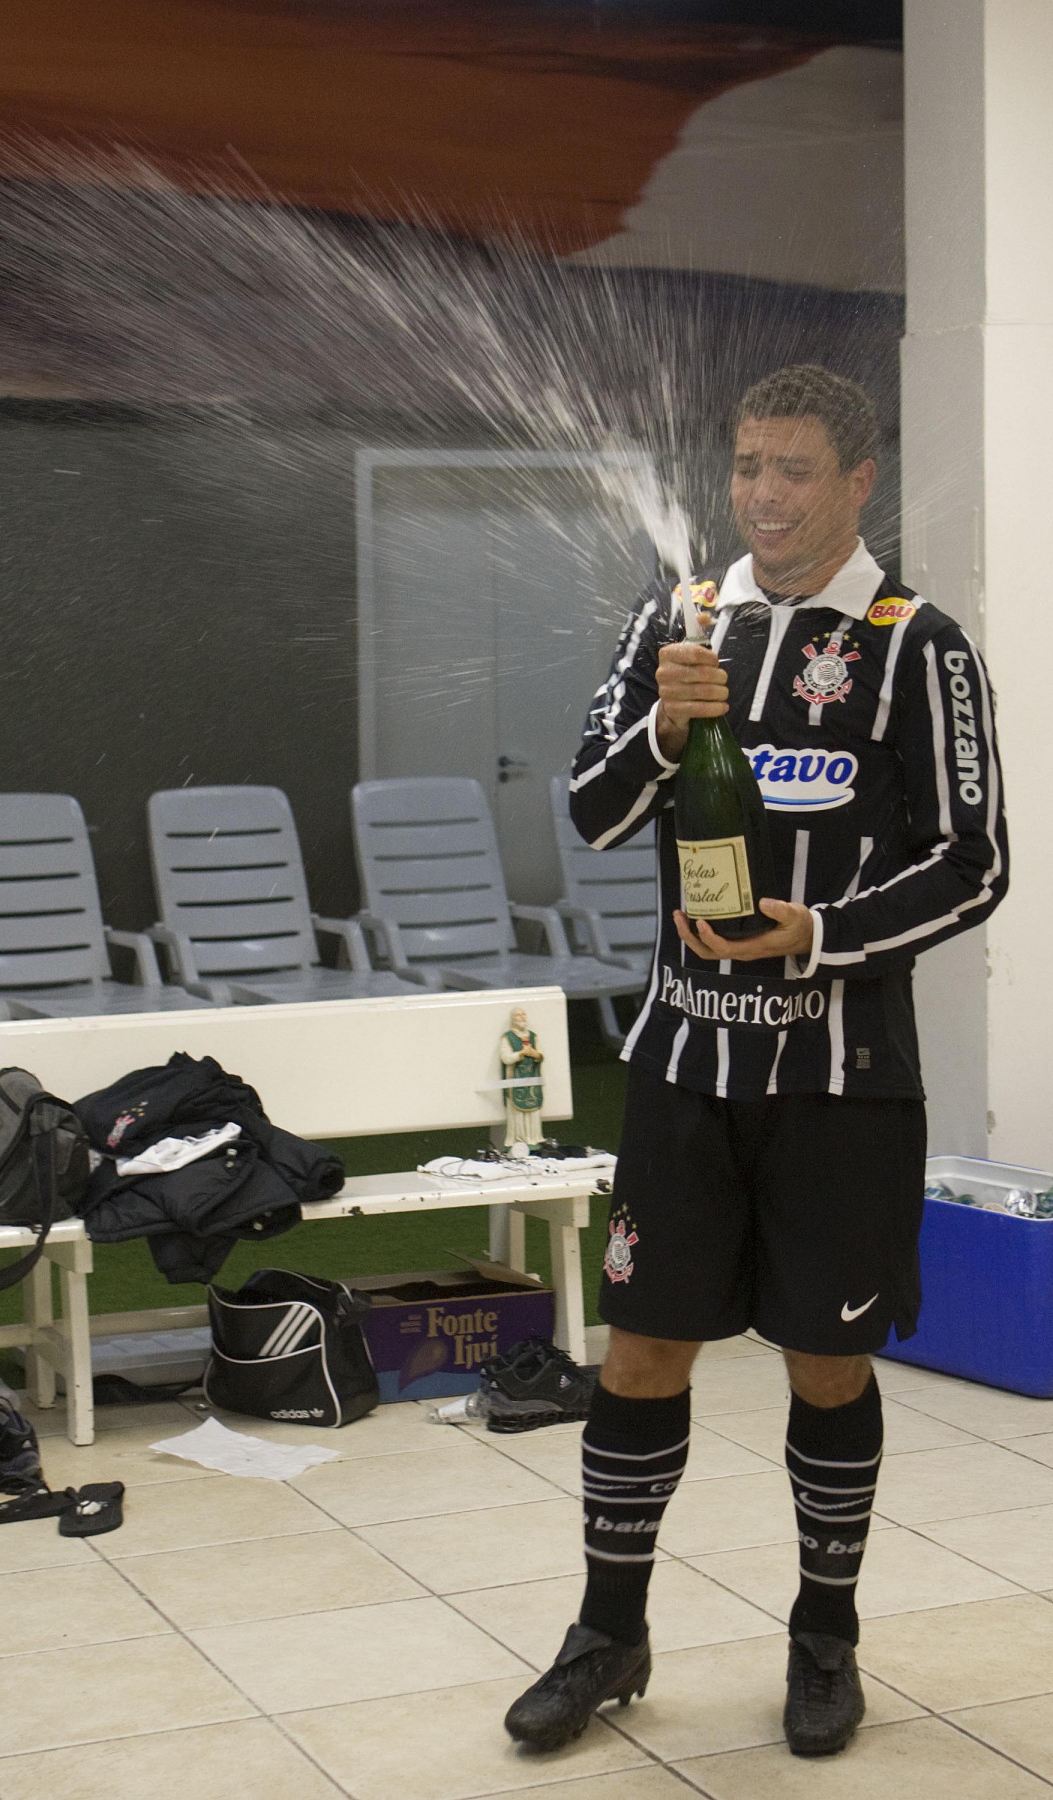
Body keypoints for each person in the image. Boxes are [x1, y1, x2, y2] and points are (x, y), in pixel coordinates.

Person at [504, 364, 1008, 1758]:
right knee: (641, 1348)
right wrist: (666, 730)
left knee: (827, 1364)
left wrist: (822, 932)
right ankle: (608, 1634)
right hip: (680, 1072)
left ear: (856, 485)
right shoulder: (680, 620)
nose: (765, 496)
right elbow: (594, 814)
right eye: (745, 468)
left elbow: (976, 865)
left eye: (794, 470)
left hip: (841, 1085)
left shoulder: (920, 646)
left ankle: (824, 1641)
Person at [499, 1006, 544, 1152]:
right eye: (518, 1015)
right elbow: (506, 1058)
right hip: (516, 1080)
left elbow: (540, 1055)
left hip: (531, 1078)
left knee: (533, 1110)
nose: (522, 1017)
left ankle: (533, 1138)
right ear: (513, 1019)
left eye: (524, 1014)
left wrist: (534, 1053)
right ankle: (518, 1140)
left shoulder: (533, 1036)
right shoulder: (508, 1038)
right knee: (517, 1113)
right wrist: (520, 1054)